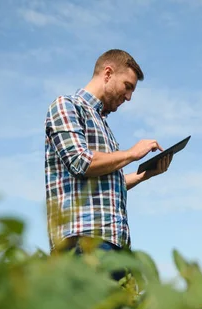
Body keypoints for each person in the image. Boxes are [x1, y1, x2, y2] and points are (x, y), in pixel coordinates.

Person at [44, 49, 172, 259]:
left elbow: (108, 182)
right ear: (108, 73)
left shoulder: (103, 124)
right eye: (127, 86)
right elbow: (80, 162)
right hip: (82, 241)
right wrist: (131, 154)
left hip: (114, 243)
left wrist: (144, 175)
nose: (129, 97)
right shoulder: (67, 106)